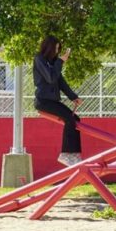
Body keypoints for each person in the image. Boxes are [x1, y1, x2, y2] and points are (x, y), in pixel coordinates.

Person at [33, 35, 83, 166]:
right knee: (69, 118)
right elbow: (50, 78)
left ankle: (74, 154)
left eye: (58, 49)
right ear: (48, 48)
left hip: (52, 100)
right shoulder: (39, 59)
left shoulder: (53, 63)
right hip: (43, 101)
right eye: (55, 49)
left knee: (75, 119)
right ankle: (66, 154)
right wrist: (60, 62)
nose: (57, 52)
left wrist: (73, 97)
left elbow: (61, 82)